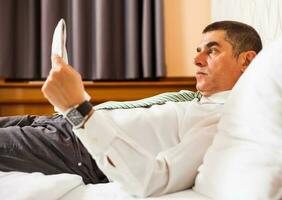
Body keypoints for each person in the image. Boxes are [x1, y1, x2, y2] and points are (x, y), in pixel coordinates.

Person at [0, 21, 262, 197]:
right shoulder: (195, 100)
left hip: (78, 148)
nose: (196, 59)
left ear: (247, 61)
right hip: (62, 124)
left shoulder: (224, 119)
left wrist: (79, 108)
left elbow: (151, 180)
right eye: (198, 50)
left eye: (212, 51)